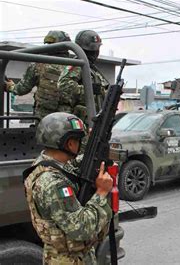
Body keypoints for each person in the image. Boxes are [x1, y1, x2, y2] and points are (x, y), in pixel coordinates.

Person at [23, 112, 112, 264]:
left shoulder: (48, 162)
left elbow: (75, 164)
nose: (79, 144)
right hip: (68, 259)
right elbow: (81, 228)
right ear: (69, 144)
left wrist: (95, 145)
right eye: (78, 140)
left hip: (72, 255)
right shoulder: (52, 182)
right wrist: (102, 192)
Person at [4, 31, 71, 120]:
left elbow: (22, 89)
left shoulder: (39, 64)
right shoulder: (76, 66)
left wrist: (10, 86)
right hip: (70, 118)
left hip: (45, 119)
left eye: (50, 44)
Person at [57, 30, 109, 124]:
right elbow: (63, 85)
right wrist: (89, 90)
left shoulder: (93, 69)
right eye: (90, 51)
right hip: (80, 121)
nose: (94, 53)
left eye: (96, 50)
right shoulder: (77, 65)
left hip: (94, 118)